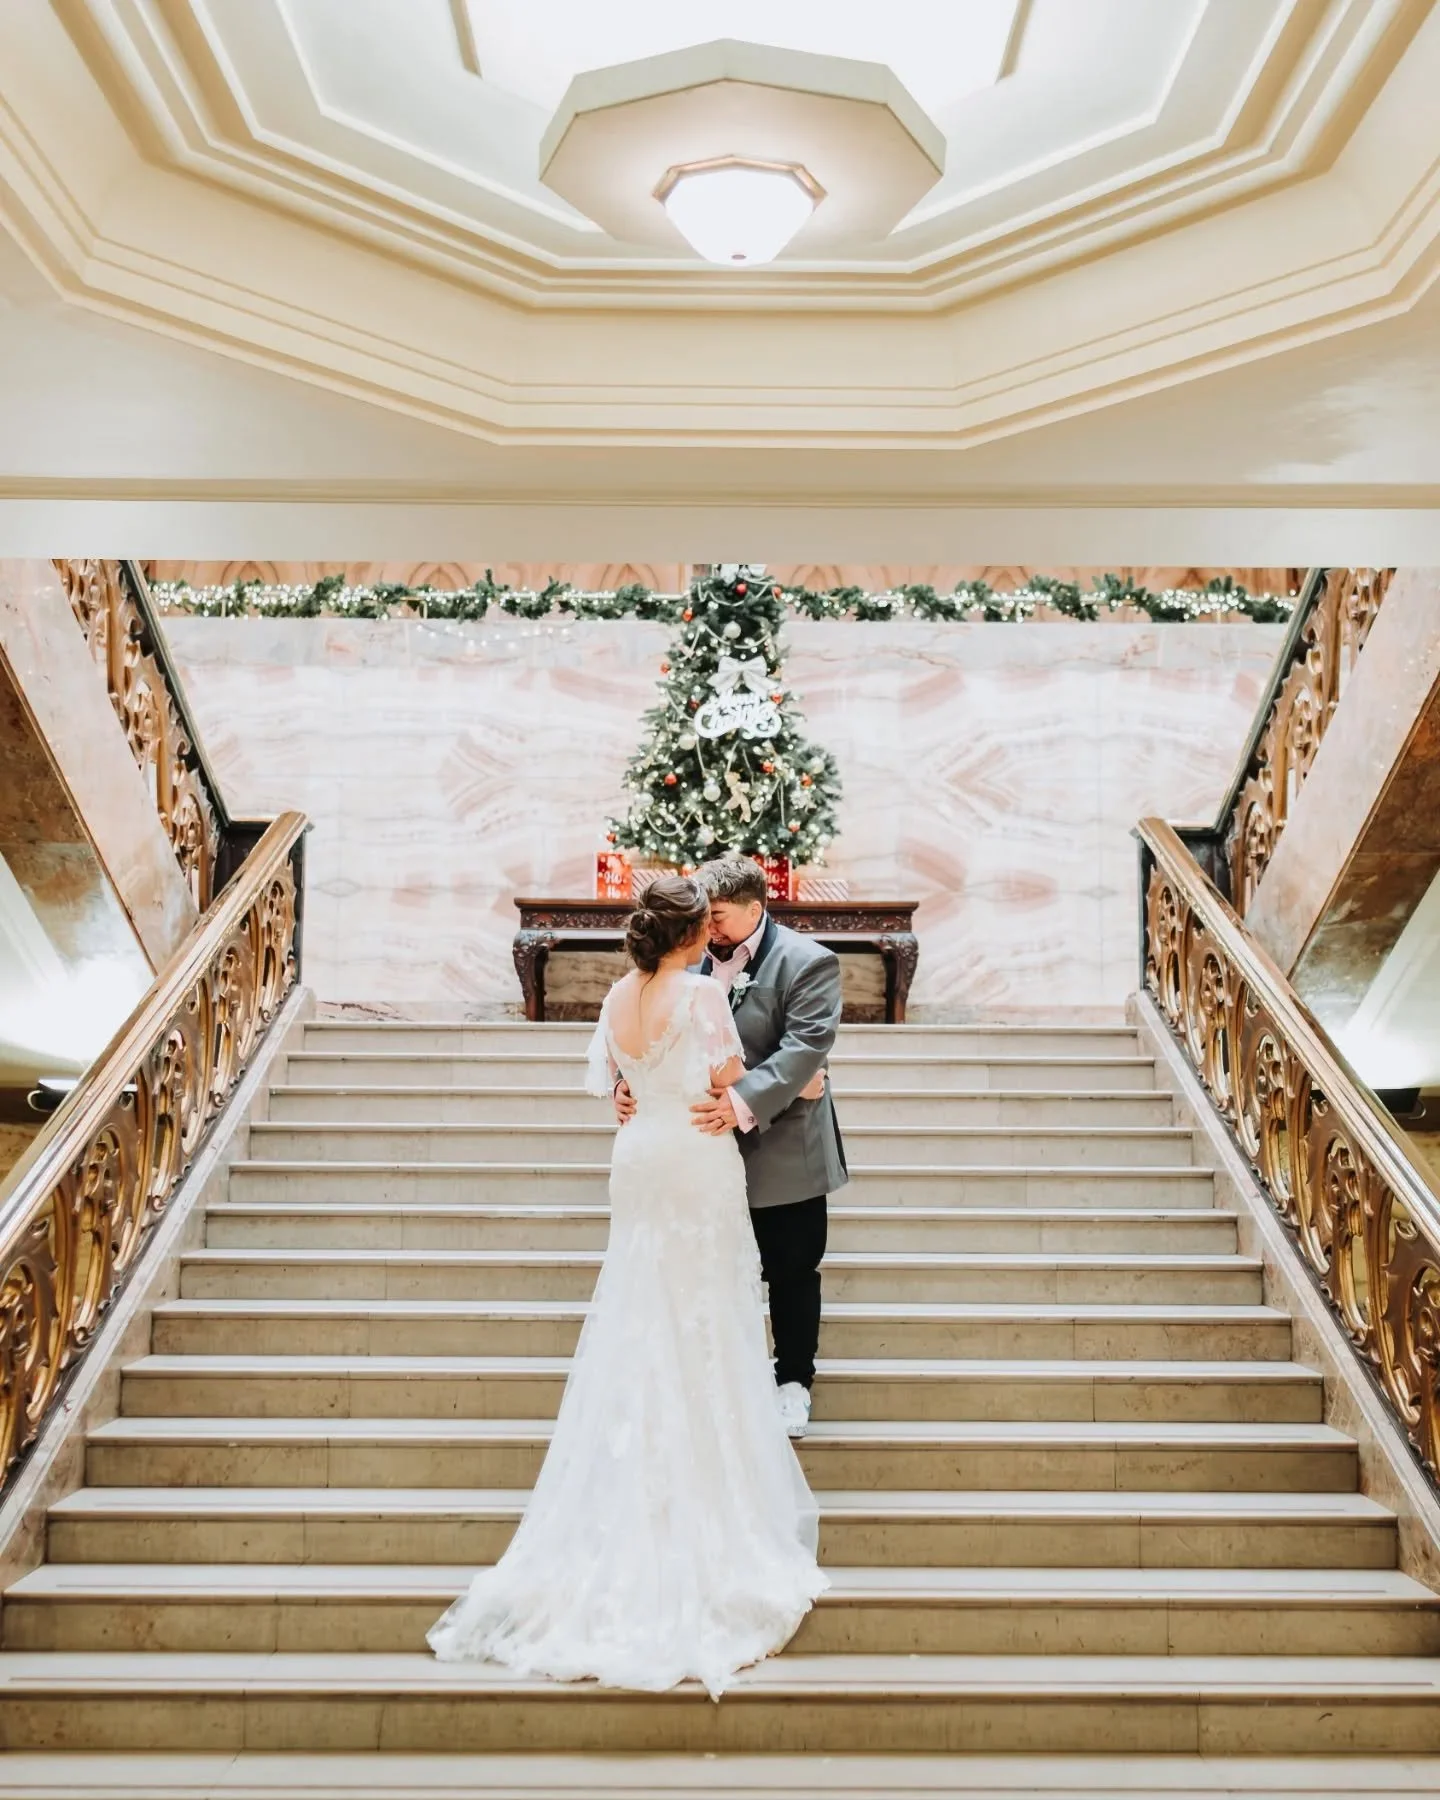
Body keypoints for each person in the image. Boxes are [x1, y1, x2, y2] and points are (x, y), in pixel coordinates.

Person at [429, 875, 826, 1696]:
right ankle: (709, 1497)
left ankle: (629, 1475)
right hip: (693, 1157)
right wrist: (781, 1085)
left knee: (641, 1302)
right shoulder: (705, 992)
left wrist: (639, 1087)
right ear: (690, 937)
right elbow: (725, 1076)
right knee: (704, 1312)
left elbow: (611, 1077)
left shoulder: (615, 995)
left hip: (641, 1158)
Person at [616, 856, 847, 1439]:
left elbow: (805, 1048)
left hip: (783, 1146)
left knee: (791, 1270)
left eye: (717, 916)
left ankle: (792, 1381)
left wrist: (741, 1102)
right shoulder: (675, 962)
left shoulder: (807, 962)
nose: (708, 928)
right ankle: (719, 1385)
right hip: (699, 1155)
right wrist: (626, 1083)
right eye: (702, 918)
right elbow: (642, 1032)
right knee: (710, 1271)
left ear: (754, 907)